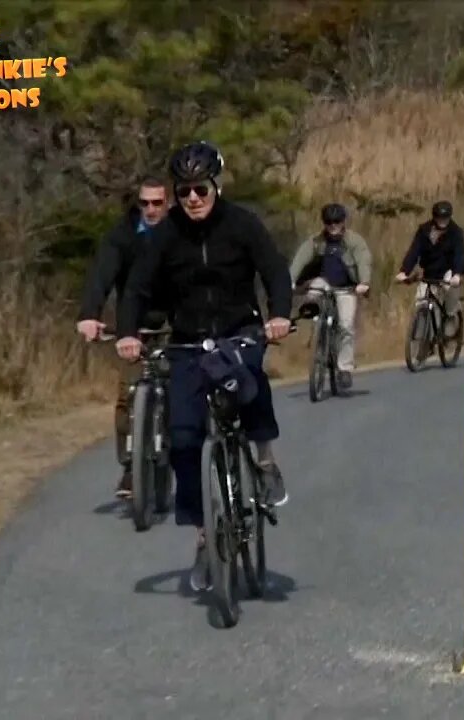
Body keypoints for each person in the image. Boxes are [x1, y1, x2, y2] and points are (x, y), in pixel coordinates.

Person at [116, 141, 293, 591]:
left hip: (238, 333)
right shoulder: (165, 235)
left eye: (201, 189)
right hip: (188, 343)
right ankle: (203, 534)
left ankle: (265, 461)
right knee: (182, 439)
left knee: (248, 381)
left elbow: (274, 270)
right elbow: (137, 287)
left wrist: (278, 315)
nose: (193, 199)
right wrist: (128, 333)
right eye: (184, 192)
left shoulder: (242, 224)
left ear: (216, 186)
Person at [75, 176, 171, 499]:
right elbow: (102, 274)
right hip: (134, 325)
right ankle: (132, 467)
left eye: (157, 203)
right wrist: (90, 314)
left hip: (175, 321)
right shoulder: (123, 235)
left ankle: (184, 453)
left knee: (183, 388)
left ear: (168, 203)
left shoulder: (181, 232)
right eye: (144, 203)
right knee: (128, 394)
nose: (150, 209)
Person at [287, 202, 372, 389]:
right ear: (324, 223)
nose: (333, 226)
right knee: (315, 288)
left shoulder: (354, 241)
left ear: (343, 222)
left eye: (337, 222)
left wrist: (364, 283)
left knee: (346, 326)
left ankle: (345, 367)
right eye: (329, 222)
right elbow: (300, 259)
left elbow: (363, 261)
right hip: (324, 283)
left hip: (347, 288)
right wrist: (290, 280)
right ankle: (313, 313)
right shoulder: (317, 241)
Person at [395, 201, 464, 337]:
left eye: (445, 218)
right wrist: (404, 271)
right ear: (434, 217)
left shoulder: (456, 232)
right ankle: (422, 337)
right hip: (429, 271)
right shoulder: (424, 230)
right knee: (421, 301)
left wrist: (457, 274)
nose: (442, 221)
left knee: (450, 288)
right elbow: (414, 251)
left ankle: (451, 316)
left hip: (449, 270)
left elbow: (460, 254)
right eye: (440, 218)